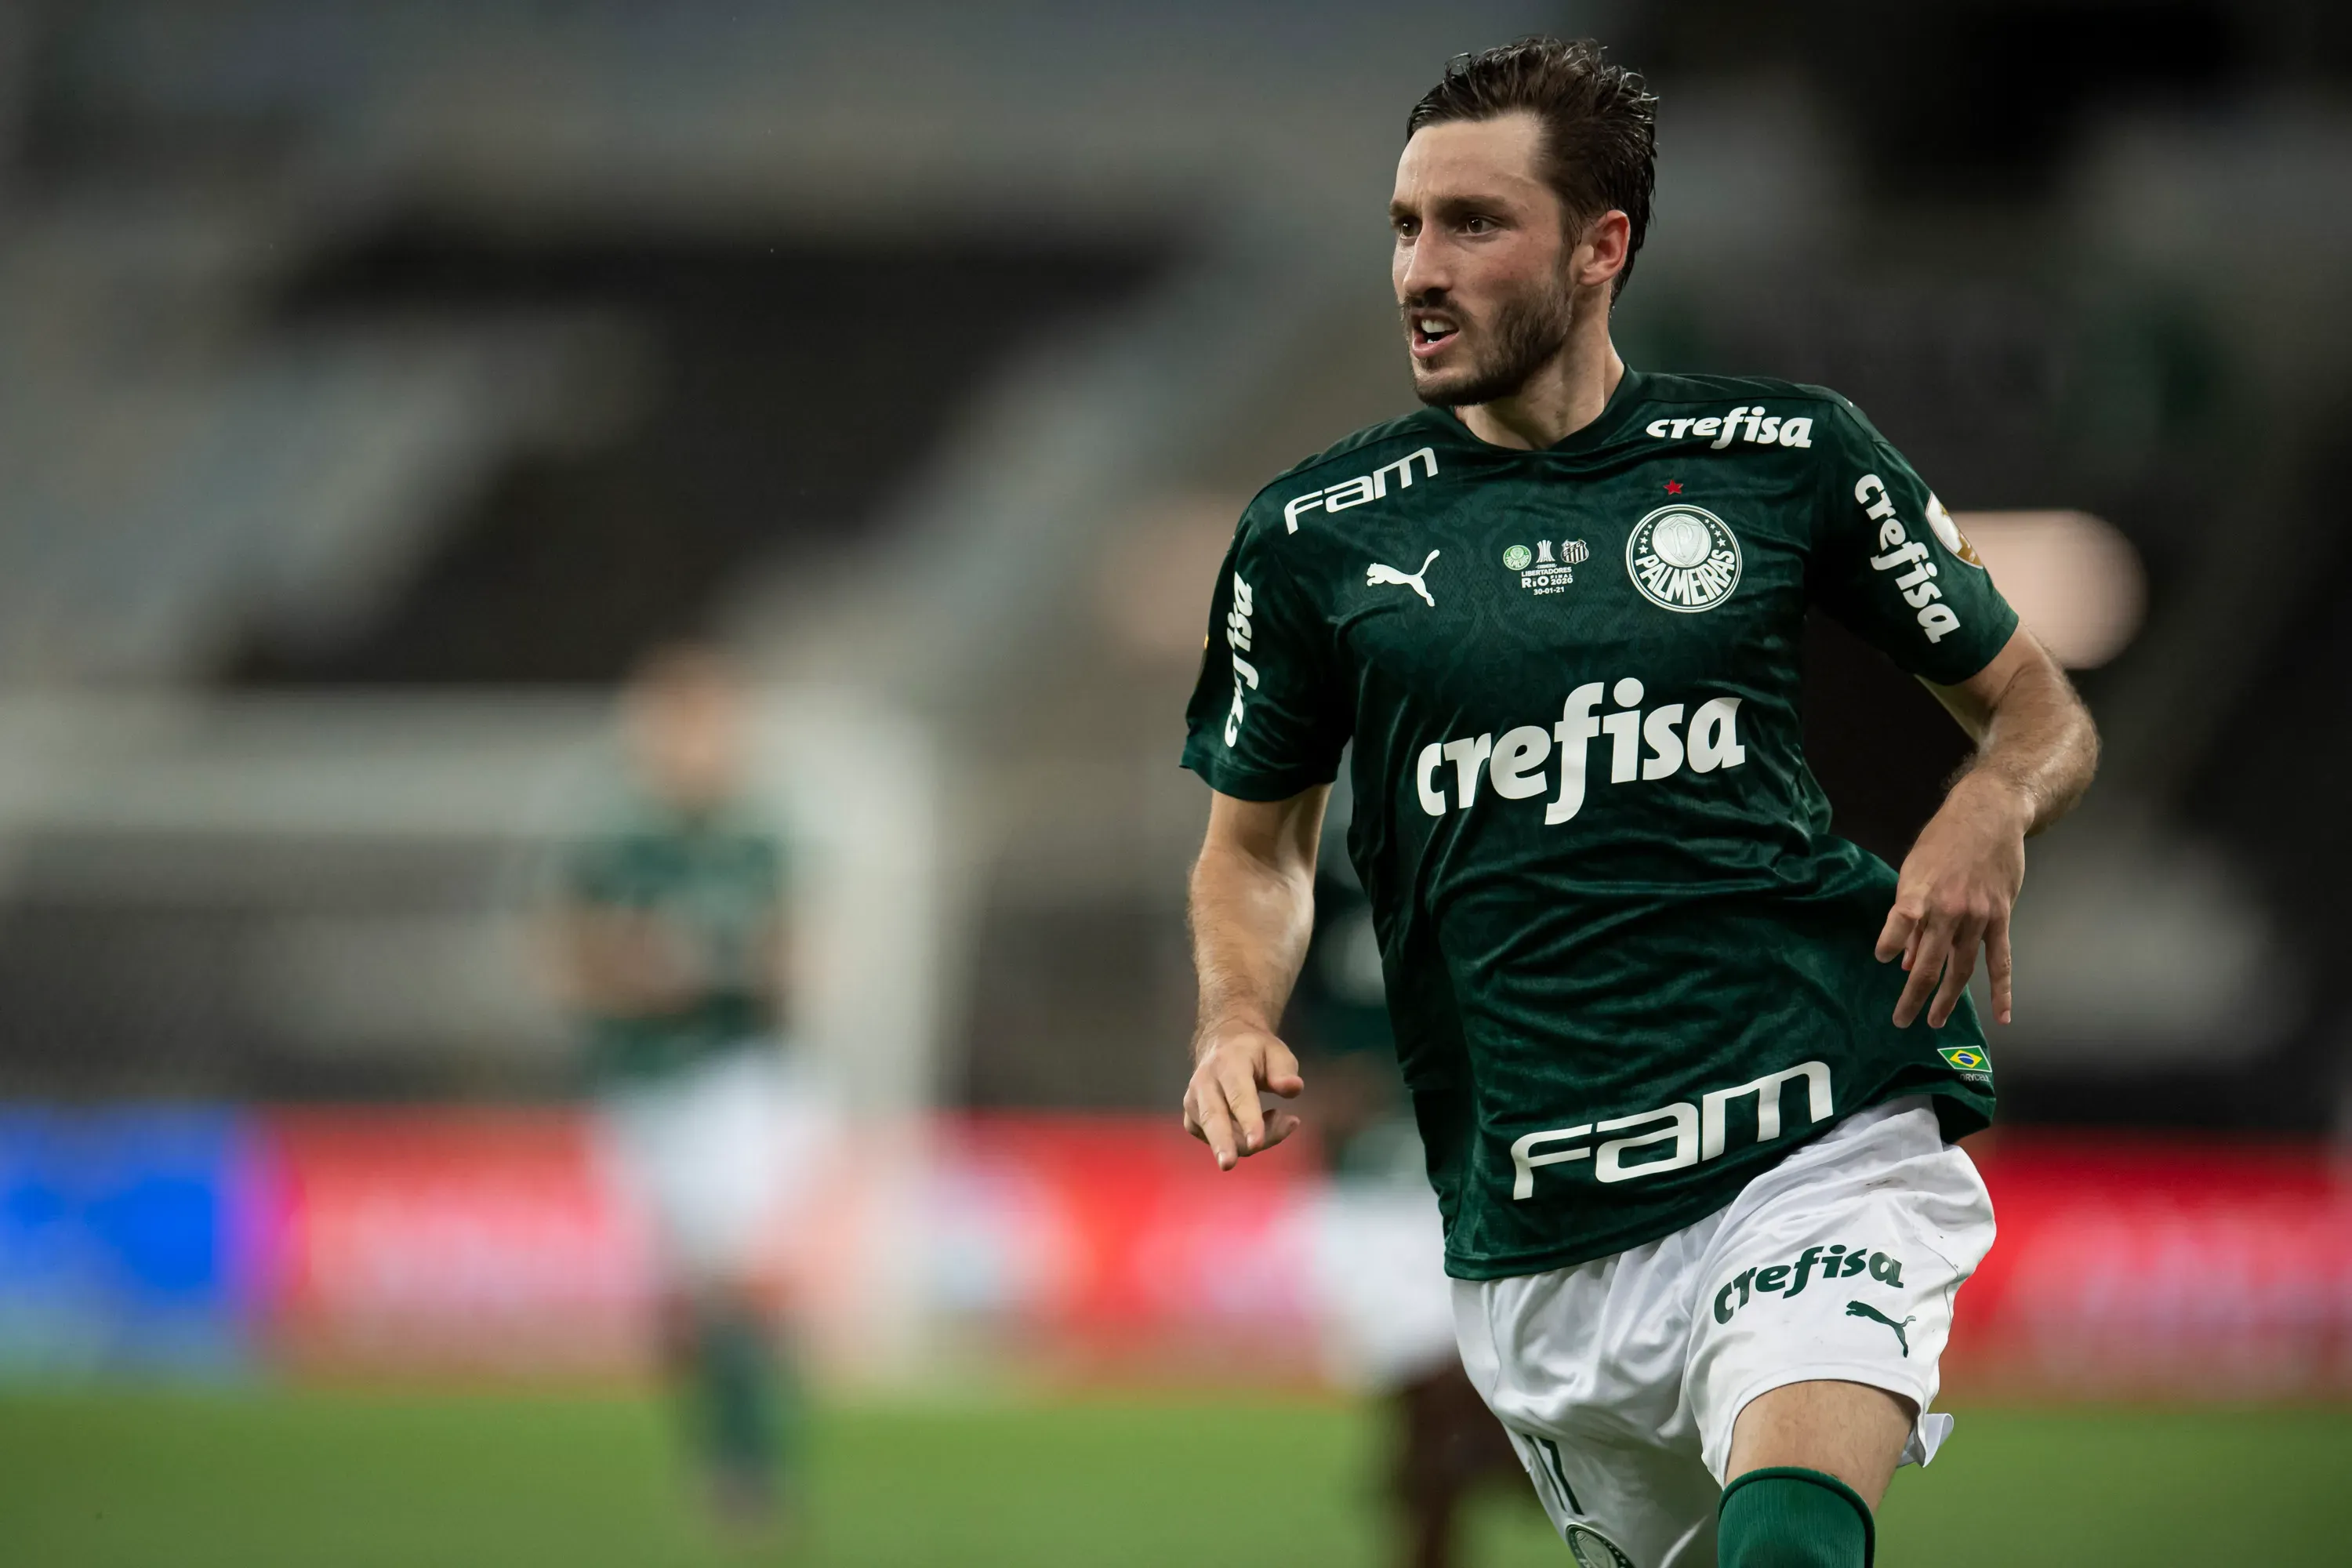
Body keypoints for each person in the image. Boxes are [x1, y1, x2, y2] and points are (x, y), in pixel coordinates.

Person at [1177, 38, 2098, 1568]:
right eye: (1406, 224)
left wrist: (1991, 804)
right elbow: (1255, 845)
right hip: (1535, 1219)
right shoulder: (1313, 538)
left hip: (1815, 1126)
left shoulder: (1784, 459)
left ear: (1603, 246)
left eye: (1474, 223)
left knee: (1793, 1538)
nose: (1420, 265)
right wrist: (1230, 1011)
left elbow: (2039, 714)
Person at [546, 644, 811, 1531]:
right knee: (684, 1293)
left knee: (732, 1272)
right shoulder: (615, 845)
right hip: (641, 1080)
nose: (699, 745)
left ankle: (749, 1464)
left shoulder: (760, 840)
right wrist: (640, 974)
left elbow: (792, 963)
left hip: (733, 1076)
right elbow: (575, 963)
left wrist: (725, 969)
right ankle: (722, 1437)